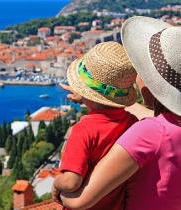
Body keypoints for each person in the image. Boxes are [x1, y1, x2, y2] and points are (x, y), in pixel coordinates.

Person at [59, 16, 181, 210]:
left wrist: (59, 193)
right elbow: (151, 121)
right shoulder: (166, 126)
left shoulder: (150, 132)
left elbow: (79, 201)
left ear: (151, 83)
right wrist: (94, 97)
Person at [52, 41, 138, 210]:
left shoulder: (83, 130)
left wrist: (56, 184)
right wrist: (87, 97)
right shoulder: (133, 124)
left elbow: (70, 182)